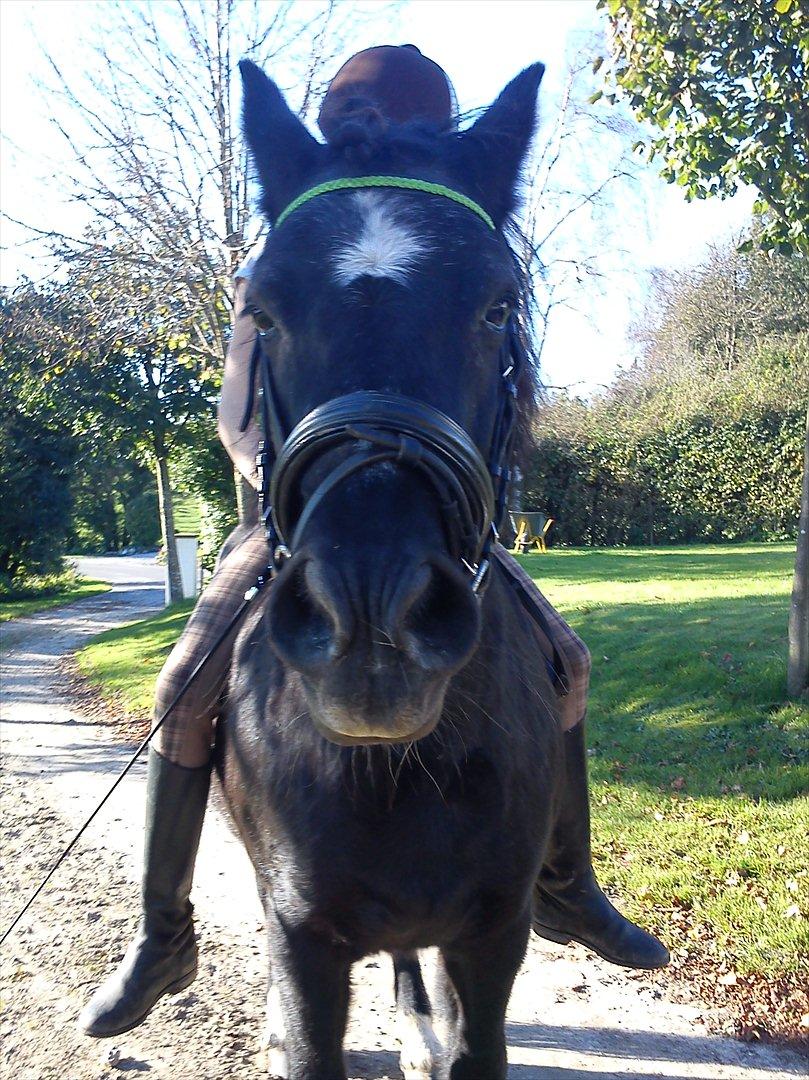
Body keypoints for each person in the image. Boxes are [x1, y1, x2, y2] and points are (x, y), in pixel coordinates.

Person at [78, 45, 668, 1041]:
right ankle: (160, 929)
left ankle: (566, 883)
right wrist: (295, 482)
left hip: (442, 516)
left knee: (563, 660)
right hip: (295, 515)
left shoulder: (454, 233)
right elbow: (236, 416)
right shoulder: (283, 250)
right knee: (184, 684)